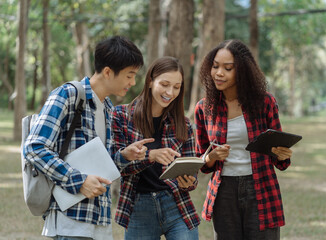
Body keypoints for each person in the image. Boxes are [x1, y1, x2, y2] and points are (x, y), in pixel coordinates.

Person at [23, 35, 146, 240]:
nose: (133, 82)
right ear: (108, 72)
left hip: (99, 222)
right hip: (70, 222)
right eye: (129, 75)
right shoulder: (68, 95)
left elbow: (97, 166)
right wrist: (78, 181)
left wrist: (123, 156)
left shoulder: (107, 108)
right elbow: (34, 148)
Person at [194, 39, 293, 240]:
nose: (219, 73)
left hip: (261, 187)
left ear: (242, 71)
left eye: (227, 68)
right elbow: (202, 162)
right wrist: (211, 156)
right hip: (224, 191)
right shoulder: (204, 108)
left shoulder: (265, 102)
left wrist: (282, 154)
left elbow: (280, 158)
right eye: (215, 66)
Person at [111, 56, 200, 239]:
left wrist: (190, 182)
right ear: (150, 81)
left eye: (177, 87)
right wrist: (150, 156)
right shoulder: (121, 116)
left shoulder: (183, 124)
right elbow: (116, 165)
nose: (170, 92)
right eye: (165, 84)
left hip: (176, 204)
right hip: (138, 207)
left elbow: (192, 170)